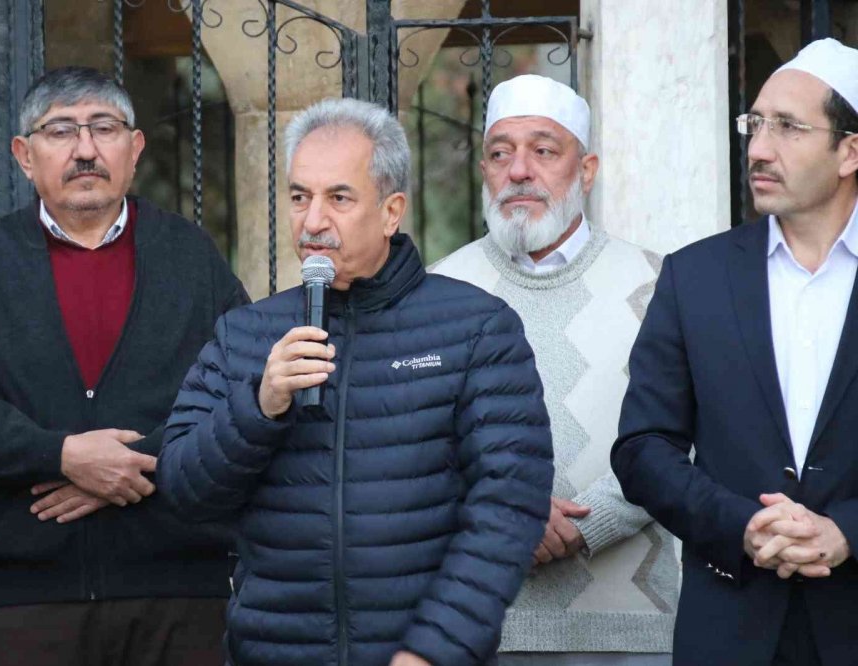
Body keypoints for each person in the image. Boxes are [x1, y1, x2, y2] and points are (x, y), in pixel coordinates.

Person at [157, 97, 554, 666]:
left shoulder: (476, 328)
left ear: (391, 212)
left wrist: (434, 650)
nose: (313, 221)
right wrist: (259, 406)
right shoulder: (245, 334)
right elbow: (183, 490)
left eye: (339, 198)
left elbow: (507, 507)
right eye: (300, 197)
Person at [0, 67, 249, 666]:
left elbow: (241, 396)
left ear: (135, 148)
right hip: (29, 605)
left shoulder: (191, 256)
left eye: (104, 128)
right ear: (24, 155)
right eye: (62, 130)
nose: (86, 149)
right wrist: (62, 455)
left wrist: (132, 464)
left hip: (181, 595)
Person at [612, 38, 858, 666]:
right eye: (755, 124)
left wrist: (847, 532)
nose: (758, 149)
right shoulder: (695, 276)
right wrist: (740, 525)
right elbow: (643, 447)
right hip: (730, 630)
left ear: (849, 152)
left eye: (789, 127)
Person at [432, 74, 677, 665]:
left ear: (586, 171)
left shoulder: (660, 283)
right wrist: (512, 515)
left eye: (543, 150)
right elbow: (409, 446)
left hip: (632, 633)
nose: (519, 170)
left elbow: (682, 438)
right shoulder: (437, 291)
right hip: (473, 629)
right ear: (484, 172)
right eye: (500, 154)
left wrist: (588, 524)